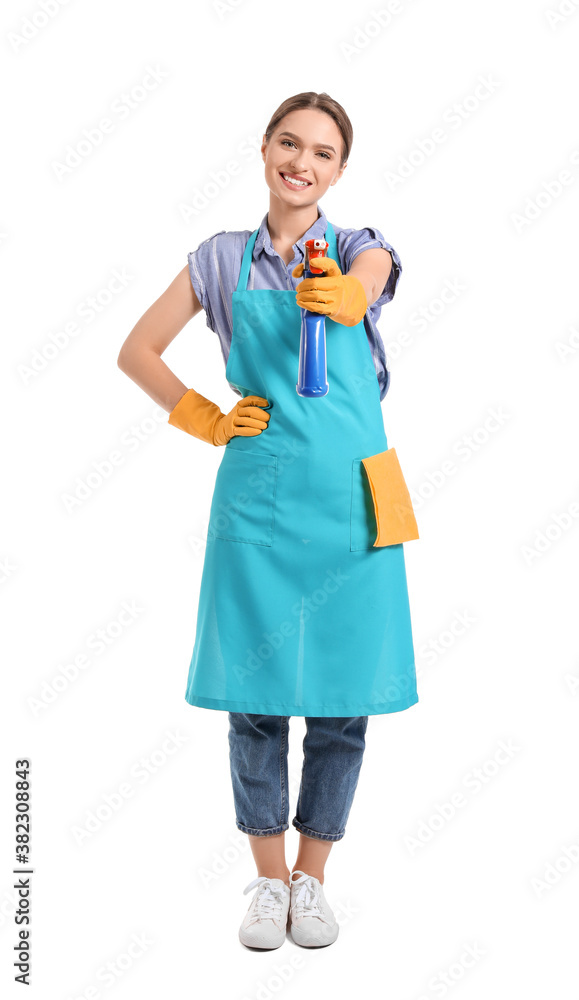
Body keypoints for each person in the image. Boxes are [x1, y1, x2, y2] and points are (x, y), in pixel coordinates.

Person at [117, 91, 420, 951]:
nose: (302, 161)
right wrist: (206, 419)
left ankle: (313, 883)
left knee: (342, 702)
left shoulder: (359, 248)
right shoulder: (219, 260)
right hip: (260, 494)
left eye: (322, 153)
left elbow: (373, 281)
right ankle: (264, 880)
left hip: (357, 500)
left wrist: (347, 296)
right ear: (263, 149)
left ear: (338, 170)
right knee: (253, 701)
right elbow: (136, 350)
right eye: (289, 143)